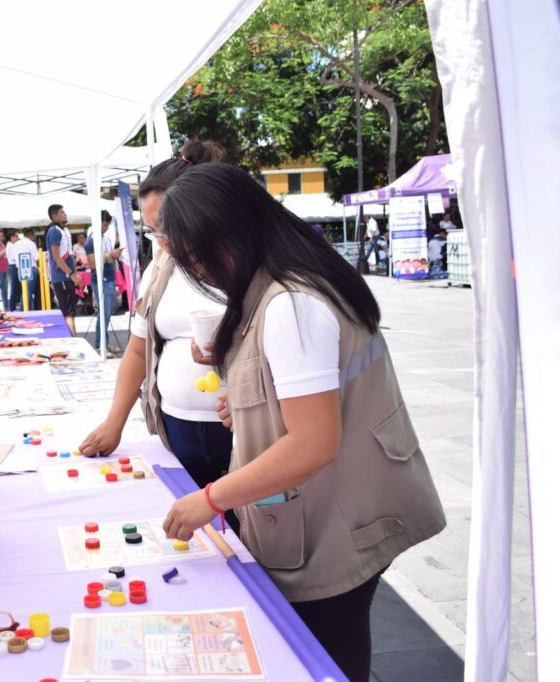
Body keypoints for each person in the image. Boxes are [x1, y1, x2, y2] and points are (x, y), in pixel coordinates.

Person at [158, 163, 446, 682]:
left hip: (335, 520)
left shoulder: (292, 302)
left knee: (327, 656)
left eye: (201, 257)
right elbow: (303, 399)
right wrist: (248, 411)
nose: (202, 273)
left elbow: (313, 442)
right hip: (324, 510)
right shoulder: (280, 286)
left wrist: (211, 497)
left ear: (236, 232)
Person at [79, 140, 235, 496]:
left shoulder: (245, 265)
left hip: (241, 430)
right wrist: (114, 423)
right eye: (151, 230)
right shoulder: (160, 268)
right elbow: (137, 351)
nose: (160, 240)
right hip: (177, 429)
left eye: (165, 226)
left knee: (247, 534)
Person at [86, 209, 122, 355]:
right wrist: (110, 256)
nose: (106, 228)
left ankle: (104, 343)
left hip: (109, 277)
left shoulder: (103, 236)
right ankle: (100, 345)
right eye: (104, 225)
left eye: (107, 225)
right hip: (101, 280)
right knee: (104, 313)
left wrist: (112, 256)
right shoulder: (92, 239)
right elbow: (93, 264)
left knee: (107, 313)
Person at [45, 203, 82, 335]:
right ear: (54, 216)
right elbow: (56, 257)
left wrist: (75, 274)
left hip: (67, 277)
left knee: (70, 312)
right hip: (61, 278)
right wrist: (72, 274)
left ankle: (72, 339)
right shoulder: (54, 231)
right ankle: (74, 341)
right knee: (68, 313)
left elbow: (70, 255)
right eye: (61, 212)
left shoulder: (64, 230)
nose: (65, 214)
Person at [16, 228, 41, 311]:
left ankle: (24, 309)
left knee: (24, 291)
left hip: (20, 269)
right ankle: (23, 310)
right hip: (31, 268)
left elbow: (13, 258)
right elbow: (37, 257)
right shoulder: (31, 243)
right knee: (28, 292)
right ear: (30, 235)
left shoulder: (17, 244)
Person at [5, 229, 22, 311]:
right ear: (11, 237)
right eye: (16, 236)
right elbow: (14, 258)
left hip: (14, 267)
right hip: (13, 267)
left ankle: (14, 306)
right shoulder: (10, 246)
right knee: (14, 288)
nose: (17, 238)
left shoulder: (12, 245)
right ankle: (11, 307)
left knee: (17, 288)